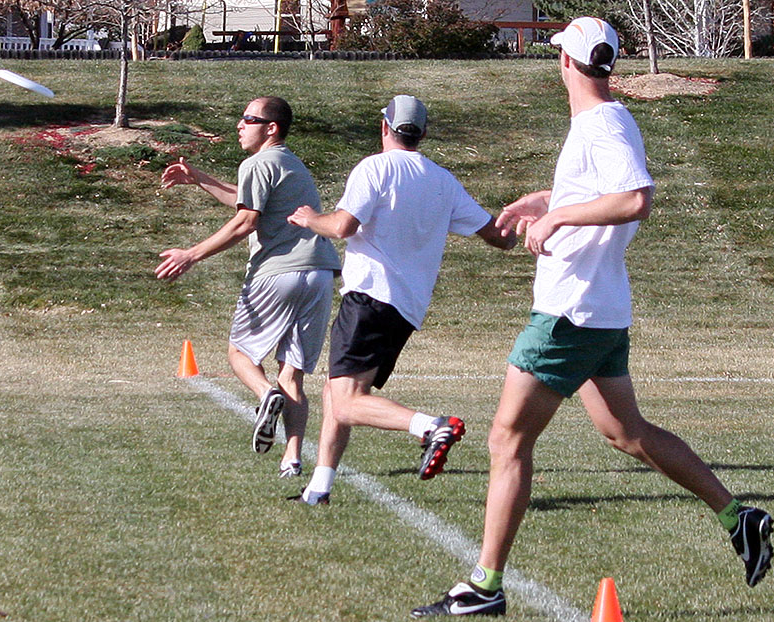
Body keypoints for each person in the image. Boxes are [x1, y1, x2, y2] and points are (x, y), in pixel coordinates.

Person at [411, 17, 774, 617]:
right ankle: (741, 517)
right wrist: (545, 201)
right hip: (598, 308)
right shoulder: (602, 122)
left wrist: (555, 221)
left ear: (566, 64)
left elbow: (635, 197)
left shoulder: (602, 122)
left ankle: (483, 586)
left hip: (569, 310)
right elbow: (604, 191)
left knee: (507, 438)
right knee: (625, 433)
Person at [287, 95, 517, 505]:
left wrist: (309, 220)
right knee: (336, 393)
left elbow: (341, 226)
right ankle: (319, 488)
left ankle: (430, 426)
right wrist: (530, 220)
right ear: (423, 133)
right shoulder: (443, 180)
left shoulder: (375, 167)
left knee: (346, 402)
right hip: (406, 309)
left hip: (369, 298)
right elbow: (501, 238)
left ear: (385, 128)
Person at [155, 96, 341, 479]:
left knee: (240, 353)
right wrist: (201, 179)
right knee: (292, 374)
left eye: (248, 119)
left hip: (277, 273)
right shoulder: (289, 163)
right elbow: (247, 202)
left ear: (271, 128)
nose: (240, 125)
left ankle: (264, 395)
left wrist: (191, 254)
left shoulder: (257, 163)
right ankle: (292, 458)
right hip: (320, 273)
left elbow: (246, 221)